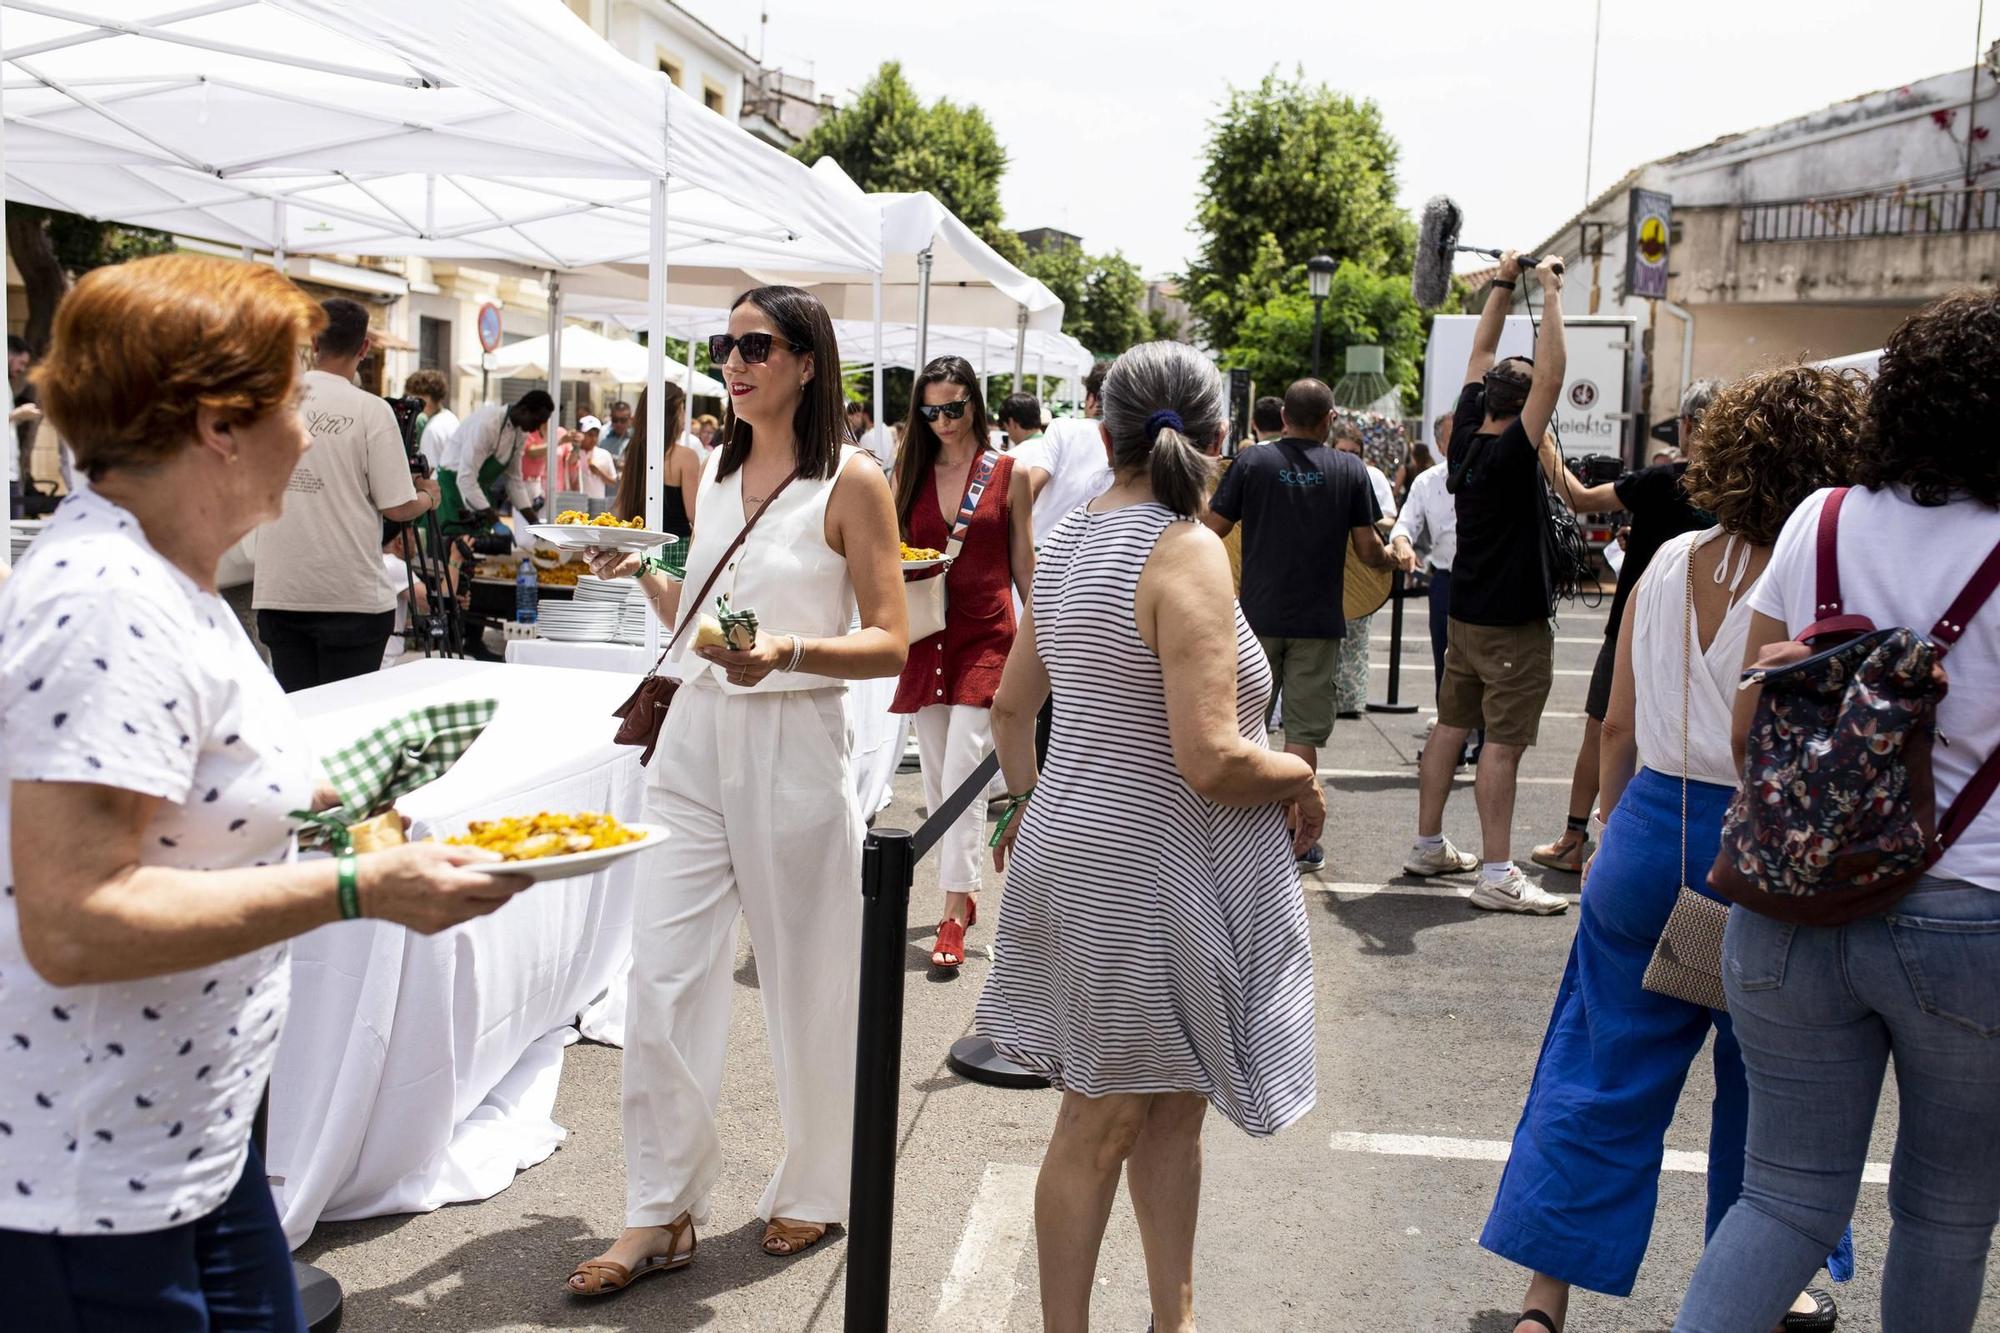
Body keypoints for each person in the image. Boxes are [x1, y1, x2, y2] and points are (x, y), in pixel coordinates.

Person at [0, 252, 528, 1330]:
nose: (312, 425)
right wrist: (359, 889)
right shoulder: (105, 603)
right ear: (218, 426)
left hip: (190, 1138)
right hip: (90, 1188)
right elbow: (74, 920)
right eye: (293, 399)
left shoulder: (164, 579)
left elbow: (186, 797)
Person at [1481, 362, 1861, 1333]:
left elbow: (1615, 724)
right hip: (1768, 844)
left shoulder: (1666, 557)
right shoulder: (1825, 576)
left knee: (1597, 1064)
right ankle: (1761, 1284)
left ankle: (1541, 1300)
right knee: (1771, 1084)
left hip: (1653, 822)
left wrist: (1609, 837)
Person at [977, 341, 1323, 1333]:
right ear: (1220, 438)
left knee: (1162, 1105)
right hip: (1143, 876)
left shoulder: (1075, 536)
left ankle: (1172, 1322)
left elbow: (1010, 711)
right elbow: (1211, 759)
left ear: (1101, 431)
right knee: (1102, 1118)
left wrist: (1026, 811)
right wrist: (1303, 776)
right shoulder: (1185, 551)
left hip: (1087, 857)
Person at [566, 285, 906, 1292]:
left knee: (807, 978)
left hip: (793, 740)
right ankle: (657, 1209)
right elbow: (706, 611)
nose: (733, 360)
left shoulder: (851, 482)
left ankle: (813, 1184)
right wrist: (634, 572)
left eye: (755, 344)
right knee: (660, 975)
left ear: (807, 359)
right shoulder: (710, 470)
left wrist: (789, 650)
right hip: (695, 736)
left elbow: (889, 638)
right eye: (724, 344)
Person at [1677, 289, 2000, 1333]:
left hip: (1788, 902)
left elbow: (1746, 732)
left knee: (1781, 1193)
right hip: (1969, 911)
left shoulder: (1815, 520)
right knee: (1945, 1209)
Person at [1405, 250, 1571, 914]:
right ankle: (1497, 871)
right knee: (1500, 745)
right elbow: (1553, 374)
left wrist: (1505, 279)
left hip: (1469, 613)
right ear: (1523, 401)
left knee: (1450, 725)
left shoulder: (1468, 439)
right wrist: (1550, 291)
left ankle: (1427, 843)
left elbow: (1481, 346)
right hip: (1510, 622)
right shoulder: (1506, 454)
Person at [1204, 378, 1404, 873]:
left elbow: (1211, 532)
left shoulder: (1252, 462)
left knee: (1245, 725)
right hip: (1318, 620)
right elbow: (1366, 551)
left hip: (1254, 618)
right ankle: (1296, 838)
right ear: (1329, 418)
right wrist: (1394, 558)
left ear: (1283, 416)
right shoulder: (1349, 469)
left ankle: (1239, 834)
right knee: (1303, 730)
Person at [1529, 379, 1720, 875]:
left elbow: (1579, 498)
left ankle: (1579, 837)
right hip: (1712, 631)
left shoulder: (1660, 482)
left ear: (1688, 426)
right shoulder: (1738, 492)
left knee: (1606, 725)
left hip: (1640, 624)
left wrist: (1543, 438)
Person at [888, 357, 1035, 972]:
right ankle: (963, 891)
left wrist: (1044, 639)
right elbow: (887, 550)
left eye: (953, 408)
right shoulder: (910, 469)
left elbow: (1024, 562)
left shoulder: (1010, 473)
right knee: (939, 779)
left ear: (975, 403)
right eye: (930, 411)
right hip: (927, 635)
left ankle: (954, 906)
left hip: (986, 635)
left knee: (966, 766)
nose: (942, 421)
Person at [251, 298, 439, 693]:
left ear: (314, 342)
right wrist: (429, 497)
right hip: (349, 596)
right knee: (345, 718)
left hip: (280, 592)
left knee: (300, 717)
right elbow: (398, 506)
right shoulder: (370, 410)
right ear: (364, 348)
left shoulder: (269, 403)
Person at [1331, 418, 1399, 719]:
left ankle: (1351, 700)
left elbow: (1390, 519)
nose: (1347, 457)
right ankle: (1328, 698)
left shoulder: (1373, 477)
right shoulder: (1326, 472)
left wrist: (1362, 518)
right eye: (1342, 450)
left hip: (1363, 564)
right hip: (1330, 563)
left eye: (1353, 452)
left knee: (1357, 634)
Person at [1390, 414, 1462, 694]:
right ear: (1440, 445)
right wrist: (1403, 543)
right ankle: (1451, 730)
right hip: (1446, 578)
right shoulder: (1427, 482)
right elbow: (1404, 525)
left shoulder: (1493, 473)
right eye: (1455, 437)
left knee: (1489, 665)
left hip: (1489, 581)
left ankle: (1485, 736)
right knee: (1444, 662)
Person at [1016, 361, 1115, 546]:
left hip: (1044, 547)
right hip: (1095, 552)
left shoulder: (1063, 427)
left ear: (1091, 399)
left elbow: (1031, 487)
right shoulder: (1126, 439)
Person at [437, 390, 554, 533]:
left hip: (478, 489)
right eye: (536, 422)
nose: (536, 428)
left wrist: (535, 524)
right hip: (452, 488)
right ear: (524, 410)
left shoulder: (521, 433)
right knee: (455, 543)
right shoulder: (488, 424)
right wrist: (495, 522)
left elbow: (514, 481)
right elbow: (466, 478)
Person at [611, 383, 700, 544]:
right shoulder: (685, 457)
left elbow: (621, 508)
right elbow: (695, 515)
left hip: (636, 547)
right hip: (674, 551)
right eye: (682, 410)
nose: (684, 416)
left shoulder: (634, 452)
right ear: (672, 415)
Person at [380, 526, 430, 670]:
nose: (416, 540)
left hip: (373, 659)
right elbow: (437, 604)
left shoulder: (376, 562)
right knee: (466, 659)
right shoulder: (395, 565)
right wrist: (455, 560)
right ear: (400, 543)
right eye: (413, 536)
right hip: (389, 663)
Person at [10, 334, 42, 517]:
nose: (22, 369)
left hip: (12, 472)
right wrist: (17, 415)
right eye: (20, 363)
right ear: (9, 355)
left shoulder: (8, 385)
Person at [404, 369, 457, 474]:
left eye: (412, 396)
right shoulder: (450, 417)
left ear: (425, 398)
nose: (409, 400)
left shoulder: (432, 430)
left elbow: (428, 472)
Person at [556, 416, 619, 502]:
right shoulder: (572, 451)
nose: (593, 439)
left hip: (598, 503)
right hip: (577, 503)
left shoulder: (605, 454)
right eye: (589, 435)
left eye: (596, 435)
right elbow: (570, 463)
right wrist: (576, 446)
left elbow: (613, 481)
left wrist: (599, 472)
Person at [846, 397, 895, 470]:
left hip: (875, 476)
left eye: (860, 414)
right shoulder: (886, 429)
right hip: (887, 476)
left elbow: (863, 464)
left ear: (865, 415)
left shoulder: (867, 437)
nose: (860, 417)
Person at [601, 399, 634, 463]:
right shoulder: (602, 437)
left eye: (623, 420)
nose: (619, 424)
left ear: (630, 420)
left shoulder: (635, 439)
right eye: (615, 420)